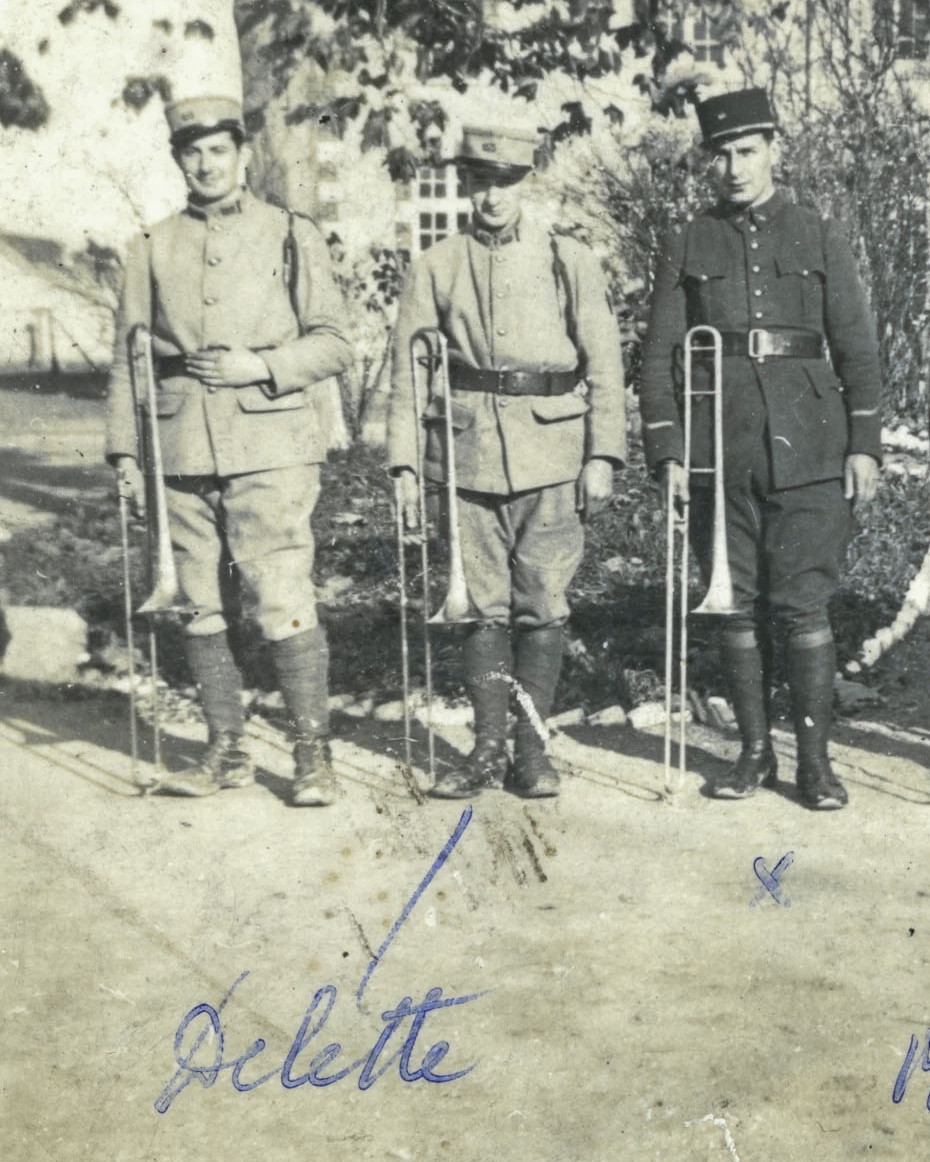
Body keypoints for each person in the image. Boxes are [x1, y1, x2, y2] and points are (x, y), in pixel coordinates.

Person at [638, 88, 883, 810]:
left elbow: (859, 350)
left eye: (747, 151)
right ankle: (752, 754)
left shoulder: (817, 233)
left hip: (811, 445)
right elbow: (656, 357)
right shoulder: (690, 240)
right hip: (722, 448)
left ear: (775, 148)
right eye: (721, 154)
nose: (734, 167)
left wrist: (863, 443)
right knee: (735, 607)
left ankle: (814, 761)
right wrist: (669, 452)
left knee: (803, 605)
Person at [106, 94, 352, 804]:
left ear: (243, 155)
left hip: (270, 442)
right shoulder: (152, 245)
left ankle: (312, 757)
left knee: (281, 595)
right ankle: (226, 751)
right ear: (178, 159)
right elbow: (128, 355)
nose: (207, 163)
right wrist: (125, 450)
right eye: (193, 151)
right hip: (178, 447)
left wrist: (263, 367)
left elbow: (334, 341)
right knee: (197, 602)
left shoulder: (287, 233)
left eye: (220, 149)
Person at [389, 123, 627, 800]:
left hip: (553, 452)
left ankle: (532, 749)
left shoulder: (566, 260)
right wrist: (404, 463)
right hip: (464, 456)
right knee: (478, 609)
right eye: (481, 181)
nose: (493, 196)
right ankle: (486, 750)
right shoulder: (436, 265)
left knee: (543, 606)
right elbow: (406, 371)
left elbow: (603, 361)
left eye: (508, 182)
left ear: (530, 183)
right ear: (465, 182)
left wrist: (603, 452)